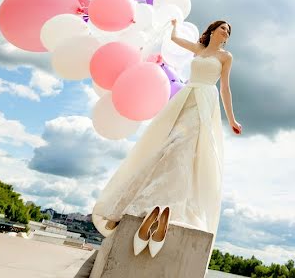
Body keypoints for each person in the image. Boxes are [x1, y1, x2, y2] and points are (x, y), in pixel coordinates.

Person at [90, 18, 241, 259]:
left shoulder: (226, 57)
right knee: (167, 146)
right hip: (186, 97)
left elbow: (225, 88)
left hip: (204, 102)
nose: (227, 32)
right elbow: (174, 40)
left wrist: (232, 120)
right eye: (223, 28)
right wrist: (172, 26)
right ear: (212, 31)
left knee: (185, 149)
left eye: (229, 31)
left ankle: (165, 211)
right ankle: (135, 207)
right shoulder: (199, 49)